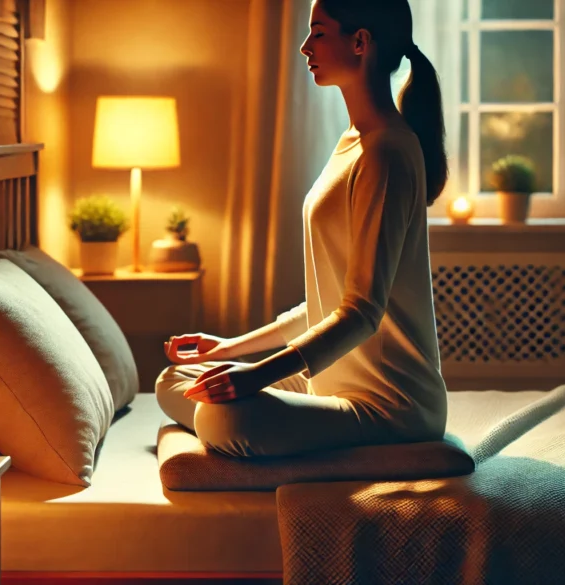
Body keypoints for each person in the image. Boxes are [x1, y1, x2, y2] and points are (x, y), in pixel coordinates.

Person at [156, 0, 449, 458]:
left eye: (318, 32)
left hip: (389, 404)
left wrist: (255, 376)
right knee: (175, 380)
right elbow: (325, 304)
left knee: (220, 413)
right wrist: (226, 348)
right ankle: (277, 416)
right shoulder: (353, 143)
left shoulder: (387, 152)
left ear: (360, 42)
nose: (303, 47)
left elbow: (361, 312)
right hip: (332, 378)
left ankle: (267, 422)